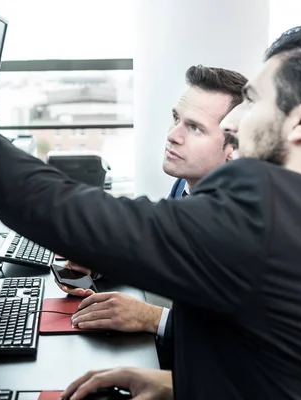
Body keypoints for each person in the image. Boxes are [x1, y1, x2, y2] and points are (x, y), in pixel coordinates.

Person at [0, 24, 301, 400]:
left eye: (251, 101)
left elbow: (62, 212)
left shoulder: (268, 208)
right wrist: (177, 386)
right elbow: (299, 371)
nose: (232, 122)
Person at [56, 65, 247, 371]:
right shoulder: (185, 186)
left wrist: (151, 318)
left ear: (233, 148)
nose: (172, 136)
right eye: (176, 119)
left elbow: (242, 343)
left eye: (195, 128)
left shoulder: (240, 221)